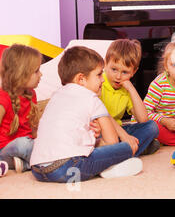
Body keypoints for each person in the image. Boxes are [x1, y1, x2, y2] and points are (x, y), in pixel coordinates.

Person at [30, 46, 143, 182]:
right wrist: (101, 142)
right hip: (66, 168)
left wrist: (94, 140)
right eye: (99, 75)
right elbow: (112, 142)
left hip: (37, 169)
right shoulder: (91, 98)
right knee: (126, 147)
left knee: (95, 146)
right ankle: (109, 168)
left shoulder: (56, 96)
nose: (102, 79)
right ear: (81, 79)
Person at [100, 39, 159, 156]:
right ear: (105, 64)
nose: (118, 76)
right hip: (101, 131)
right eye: (114, 69)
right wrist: (125, 136)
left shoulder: (126, 89)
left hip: (120, 131)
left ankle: (121, 151)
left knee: (152, 127)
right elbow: (103, 116)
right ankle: (130, 150)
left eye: (125, 72)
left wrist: (131, 89)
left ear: (134, 72)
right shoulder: (99, 82)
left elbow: (143, 119)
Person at [0, 44, 42, 173]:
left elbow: (34, 130)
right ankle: (46, 161)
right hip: (6, 151)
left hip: (27, 147)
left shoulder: (31, 94)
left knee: (36, 142)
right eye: (36, 71)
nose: (41, 74)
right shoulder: (3, 98)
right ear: (20, 73)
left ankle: (24, 165)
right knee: (22, 144)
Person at [143, 35, 175, 146]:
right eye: (174, 64)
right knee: (153, 127)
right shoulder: (160, 84)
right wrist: (164, 120)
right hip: (160, 120)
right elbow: (145, 112)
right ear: (166, 66)